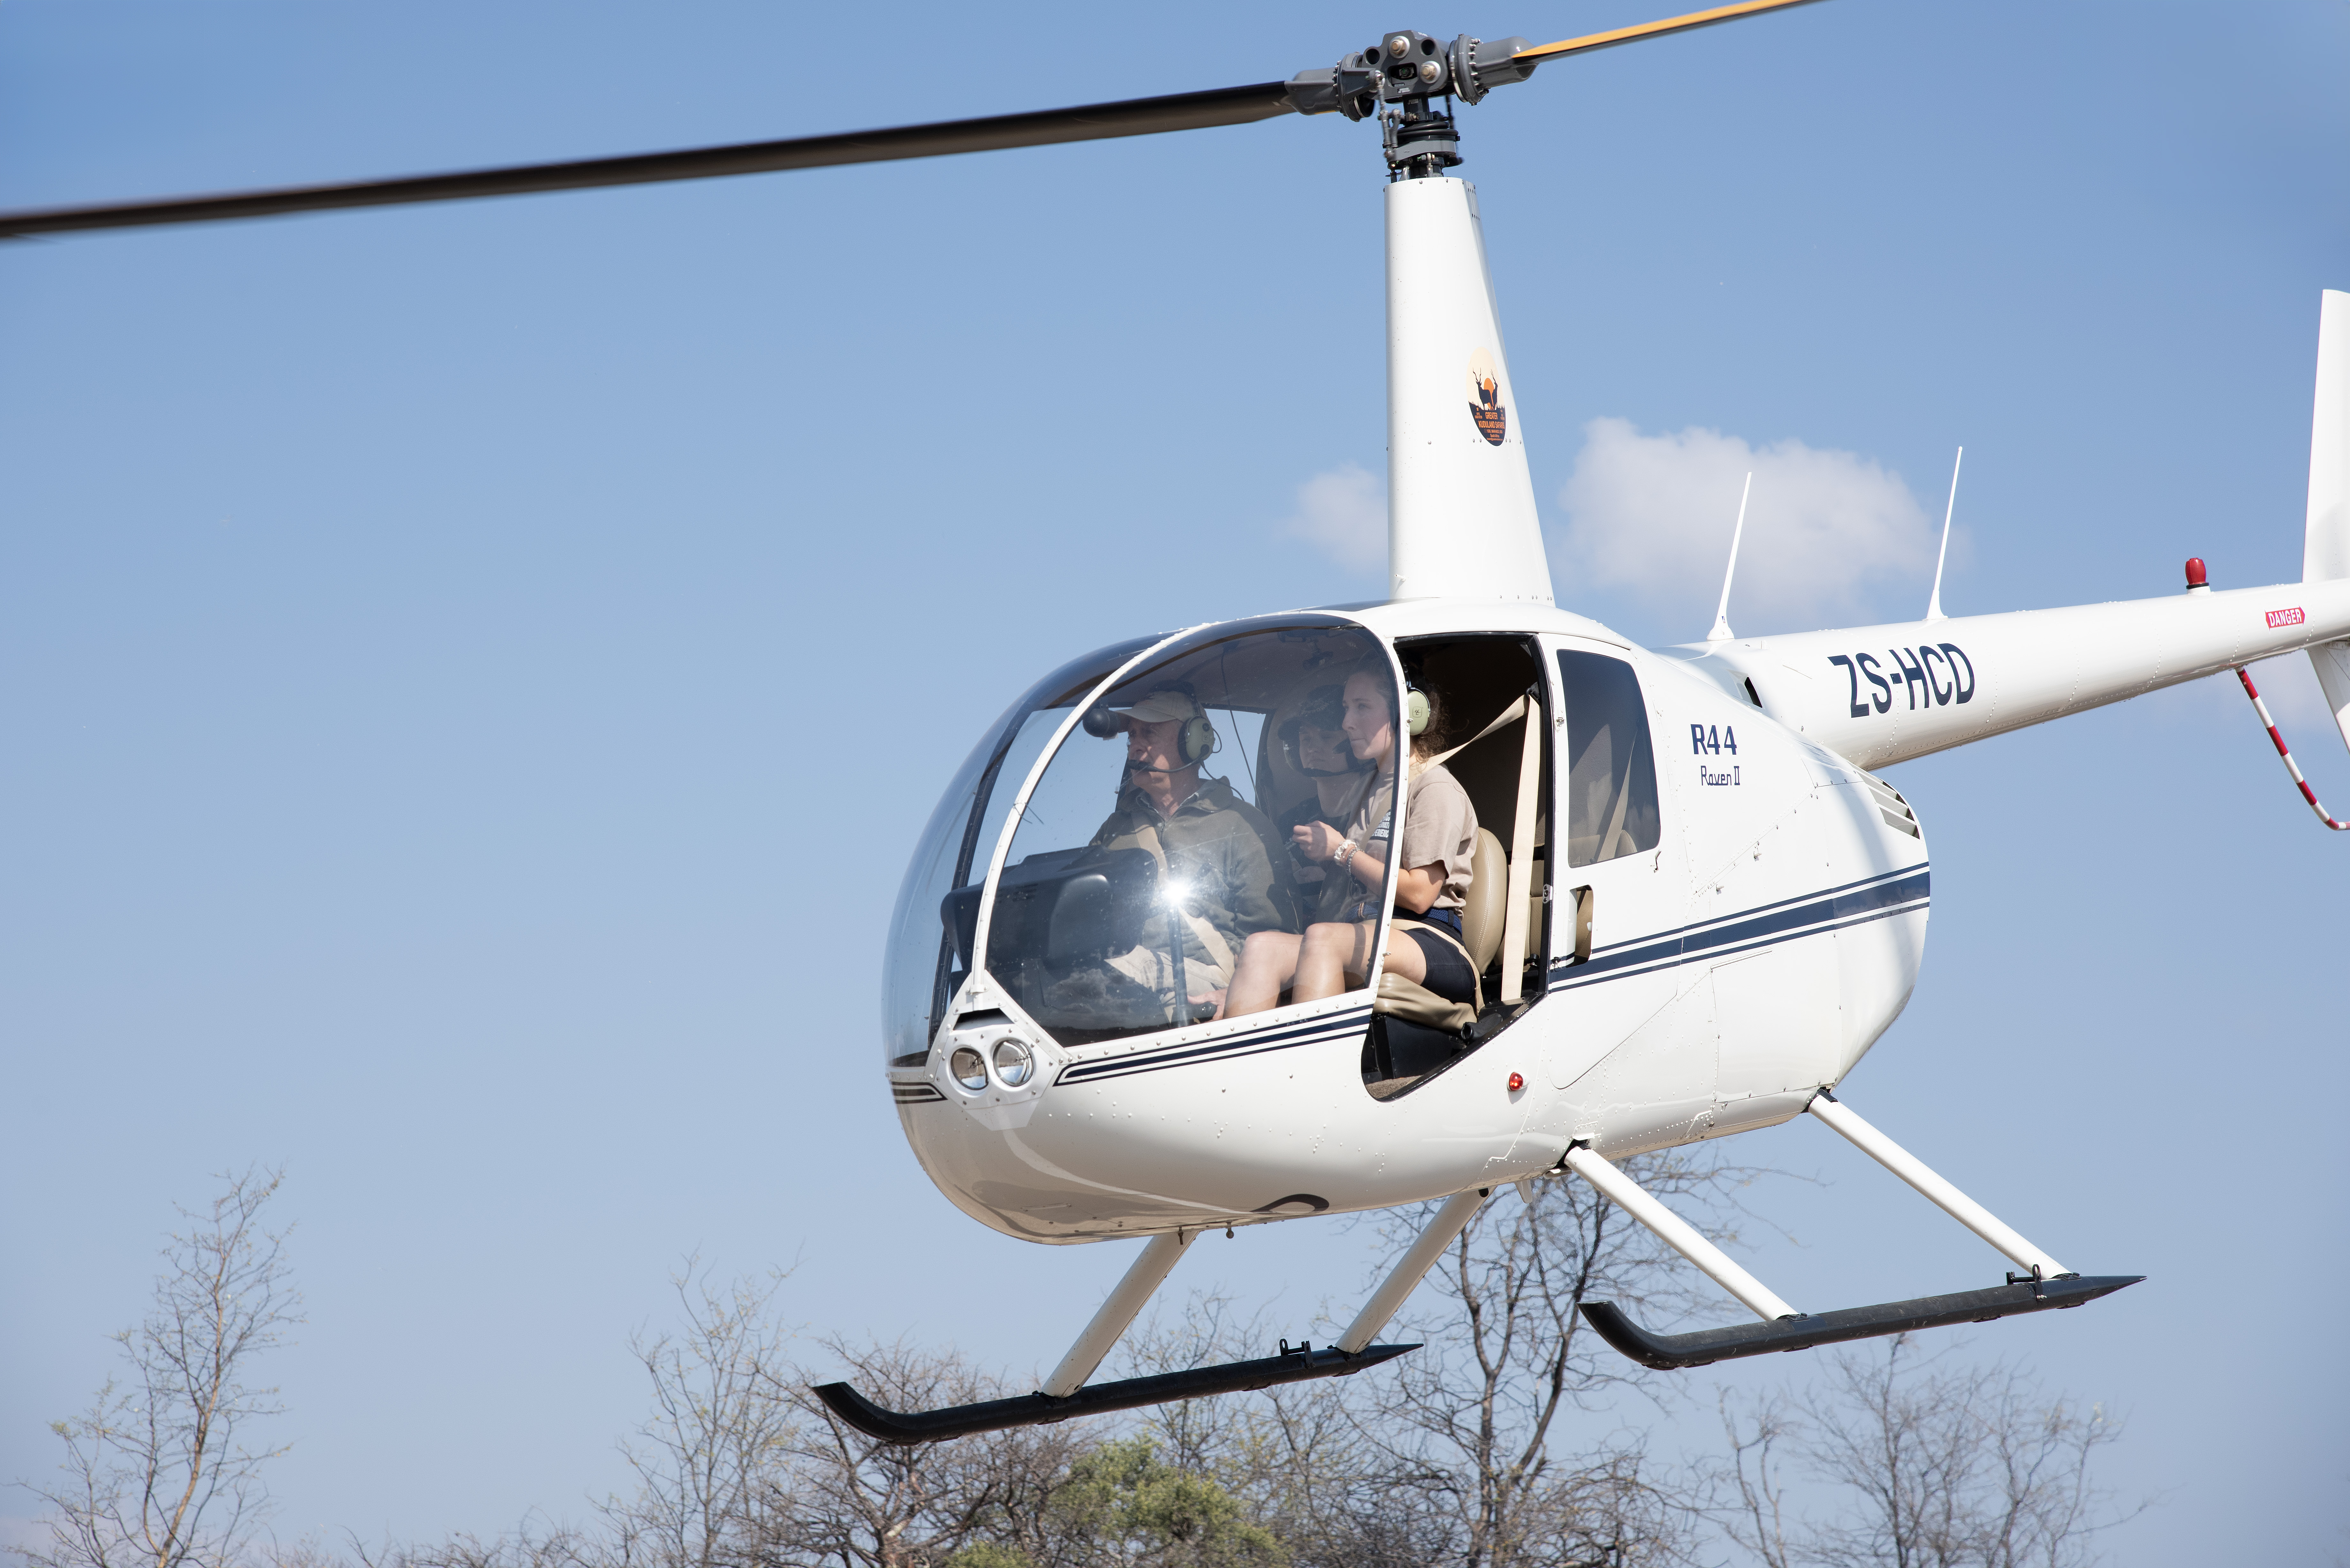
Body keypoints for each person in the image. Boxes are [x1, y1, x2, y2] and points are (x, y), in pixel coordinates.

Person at [1217, 662, 1480, 1020]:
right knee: (1260, 948)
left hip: (1426, 939)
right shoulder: (1368, 793)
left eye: (1362, 707)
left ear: (1410, 713)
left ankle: (1312, 1072)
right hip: (1360, 932)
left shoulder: (1432, 787)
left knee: (1323, 939)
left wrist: (1342, 851)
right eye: (1345, 708)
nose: (1346, 723)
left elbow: (1420, 895)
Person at [1075, 687, 1298, 1021]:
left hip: (1212, 978)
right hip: (1128, 972)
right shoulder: (1114, 831)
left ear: (1192, 740)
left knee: (1102, 973)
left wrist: (1240, 991)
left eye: (1149, 732)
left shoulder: (1242, 824)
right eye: (1132, 735)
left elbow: (1275, 940)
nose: (1136, 745)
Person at [1273, 684, 1375, 923]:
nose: (1312, 747)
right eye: (1305, 738)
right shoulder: (1290, 821)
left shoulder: (1378, 811)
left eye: (1327, 736)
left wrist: (1333, 880)